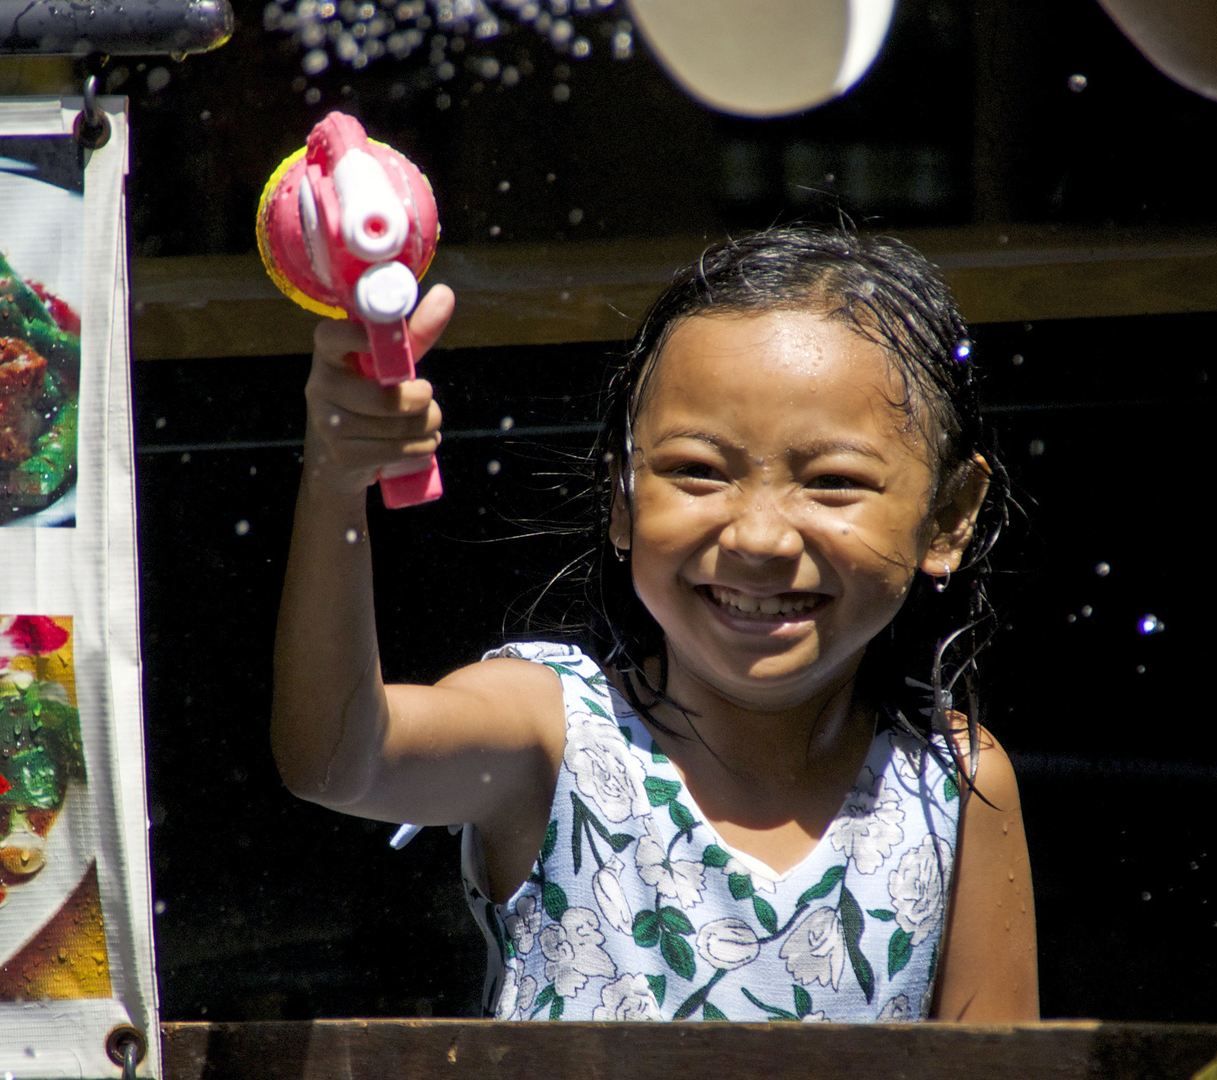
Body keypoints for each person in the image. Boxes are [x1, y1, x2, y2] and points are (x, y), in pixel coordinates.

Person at [271, 225, 1038, 1022]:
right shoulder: (552, 738)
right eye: (697, 471)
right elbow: (334, 760)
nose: (758, 536)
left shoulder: (952, 782)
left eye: (834, 481)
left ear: (948, 516)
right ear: (622, 499)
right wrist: (336, 482)